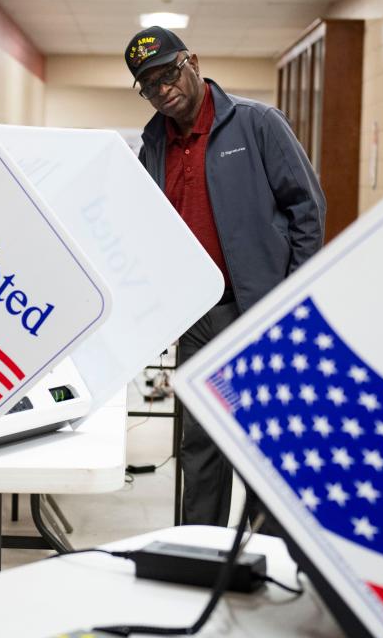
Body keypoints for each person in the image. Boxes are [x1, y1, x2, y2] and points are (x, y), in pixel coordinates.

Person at [125, 26, 326, 526]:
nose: (162, 89)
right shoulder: (153, 143)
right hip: (197, 315)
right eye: (148, 85)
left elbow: (308, 211)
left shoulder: (256, 123)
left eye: (167, 73)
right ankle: (199, 549)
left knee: (265, 441)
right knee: (201, 443)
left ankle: (264, 549)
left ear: (192, 61)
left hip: (257, 310)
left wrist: (289, 300)